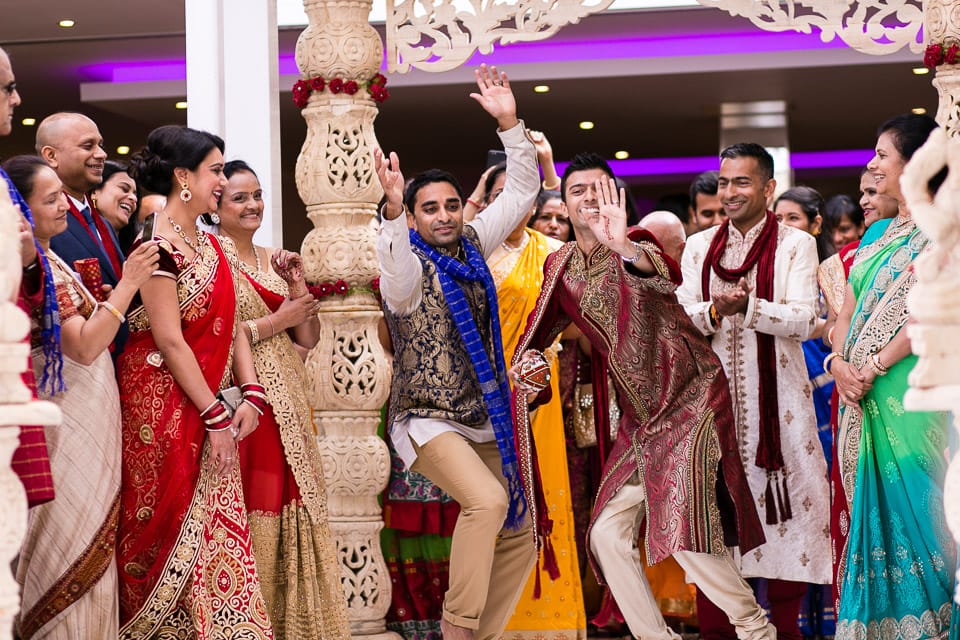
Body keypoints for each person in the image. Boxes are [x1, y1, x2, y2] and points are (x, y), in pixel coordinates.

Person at [511, 153, 774, 640]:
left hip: (690, 398)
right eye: (577, 192)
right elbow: (537, 332)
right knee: (606, 536)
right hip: (639, 419)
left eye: (599, 189)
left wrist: (621, 244)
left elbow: (663, 280)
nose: (589, 198)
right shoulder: (561, 265)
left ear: (617, 197)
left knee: (684, 526)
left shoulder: (641, 246)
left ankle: (755, 629)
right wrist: (526, 370)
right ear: (564, 207)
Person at [374, 64, 539, 640]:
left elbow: (521, 191)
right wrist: (393, 213)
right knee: (488, 503)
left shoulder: (472, 242)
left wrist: (510, 124)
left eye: (450, 205)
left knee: (522, 530)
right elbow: (393, 281)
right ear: (415, 216)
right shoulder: (409, 263)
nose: (443, 215)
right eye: (430, 209)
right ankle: (459, 628)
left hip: (482, 415)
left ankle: (478, 635)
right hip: (424, 419)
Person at [118, 125, 273, 638]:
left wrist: (251, 393)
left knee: (218, 535)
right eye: (214, 171)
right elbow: (170, 340)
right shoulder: (157, 245)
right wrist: (214, 416)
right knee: (166, 526)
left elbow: (233, 329)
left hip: (209, 404)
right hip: (164, 405)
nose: (222, 182)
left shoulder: (211, 244)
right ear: (184, 177)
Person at [677, 143, 830, 640]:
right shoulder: (699, 248)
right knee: (714, 539)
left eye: (742, 182)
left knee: (787, 535)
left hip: (781, 418)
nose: (730, 192)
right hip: (709, 418)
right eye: (724, 183)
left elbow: (807, 318)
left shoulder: (795, 246)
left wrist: (753, 308)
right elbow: (678, 322)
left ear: (767, 188)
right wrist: (717, 312)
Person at [4, 155, 158, 639]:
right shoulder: (38, 271)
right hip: (68, 432)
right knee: (67, 549)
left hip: (88, 427)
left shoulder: (52, 263)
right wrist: (129, 284)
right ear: (19, 213)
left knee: (93, 549)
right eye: (50, 201)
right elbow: (87, 347)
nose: (62, 207)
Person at [828, 113, 955, 640]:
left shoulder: (943, 230)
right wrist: (839, 368)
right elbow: (844, 318)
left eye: (882, 154)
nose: (871, 164)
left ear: (916, 162)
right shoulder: (878, 233)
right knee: (867, 518)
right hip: (856, 397)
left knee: (920, 517)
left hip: (908, 395)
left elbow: (927, 315)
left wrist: (874, 366)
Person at [215, 159, 350, 640]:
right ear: (215, 205)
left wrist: (295, 285)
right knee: (258, 508)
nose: (253, 205)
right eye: (239, 198)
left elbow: (308, 336)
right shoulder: (212, 260)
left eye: (257, 195)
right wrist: (278, 320)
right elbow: (217, 335)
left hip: (290, 401)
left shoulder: (276, 257)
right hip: (245, 404)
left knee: (296, 503)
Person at [486, 179, 586, 640]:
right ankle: (494, 619)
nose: (512, 202)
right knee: (491, 499)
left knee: (543, 489)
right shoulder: (473, 252)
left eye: (520, 192)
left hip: (537, 394)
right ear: (486, 203)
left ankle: (552, 620)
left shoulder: (554, 252)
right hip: (485, 397)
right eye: (500, 194)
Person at [771, 185, 836, 639]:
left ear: (815, 225)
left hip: (829, 411)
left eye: (793, 218)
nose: (782, 227)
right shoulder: (767, 276)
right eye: (778, 218)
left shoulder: (833, 276)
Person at [0, 46, 56, 513]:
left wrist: (27, 261)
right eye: (8, 88)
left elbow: (25, 288)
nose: (16, 99)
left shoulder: (1, 184)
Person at [91, 160, 140, 254]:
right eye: (124, 189)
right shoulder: (77, 234)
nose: (134, 198)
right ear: (94, 193)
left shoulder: (134, 247)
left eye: (135, 194)